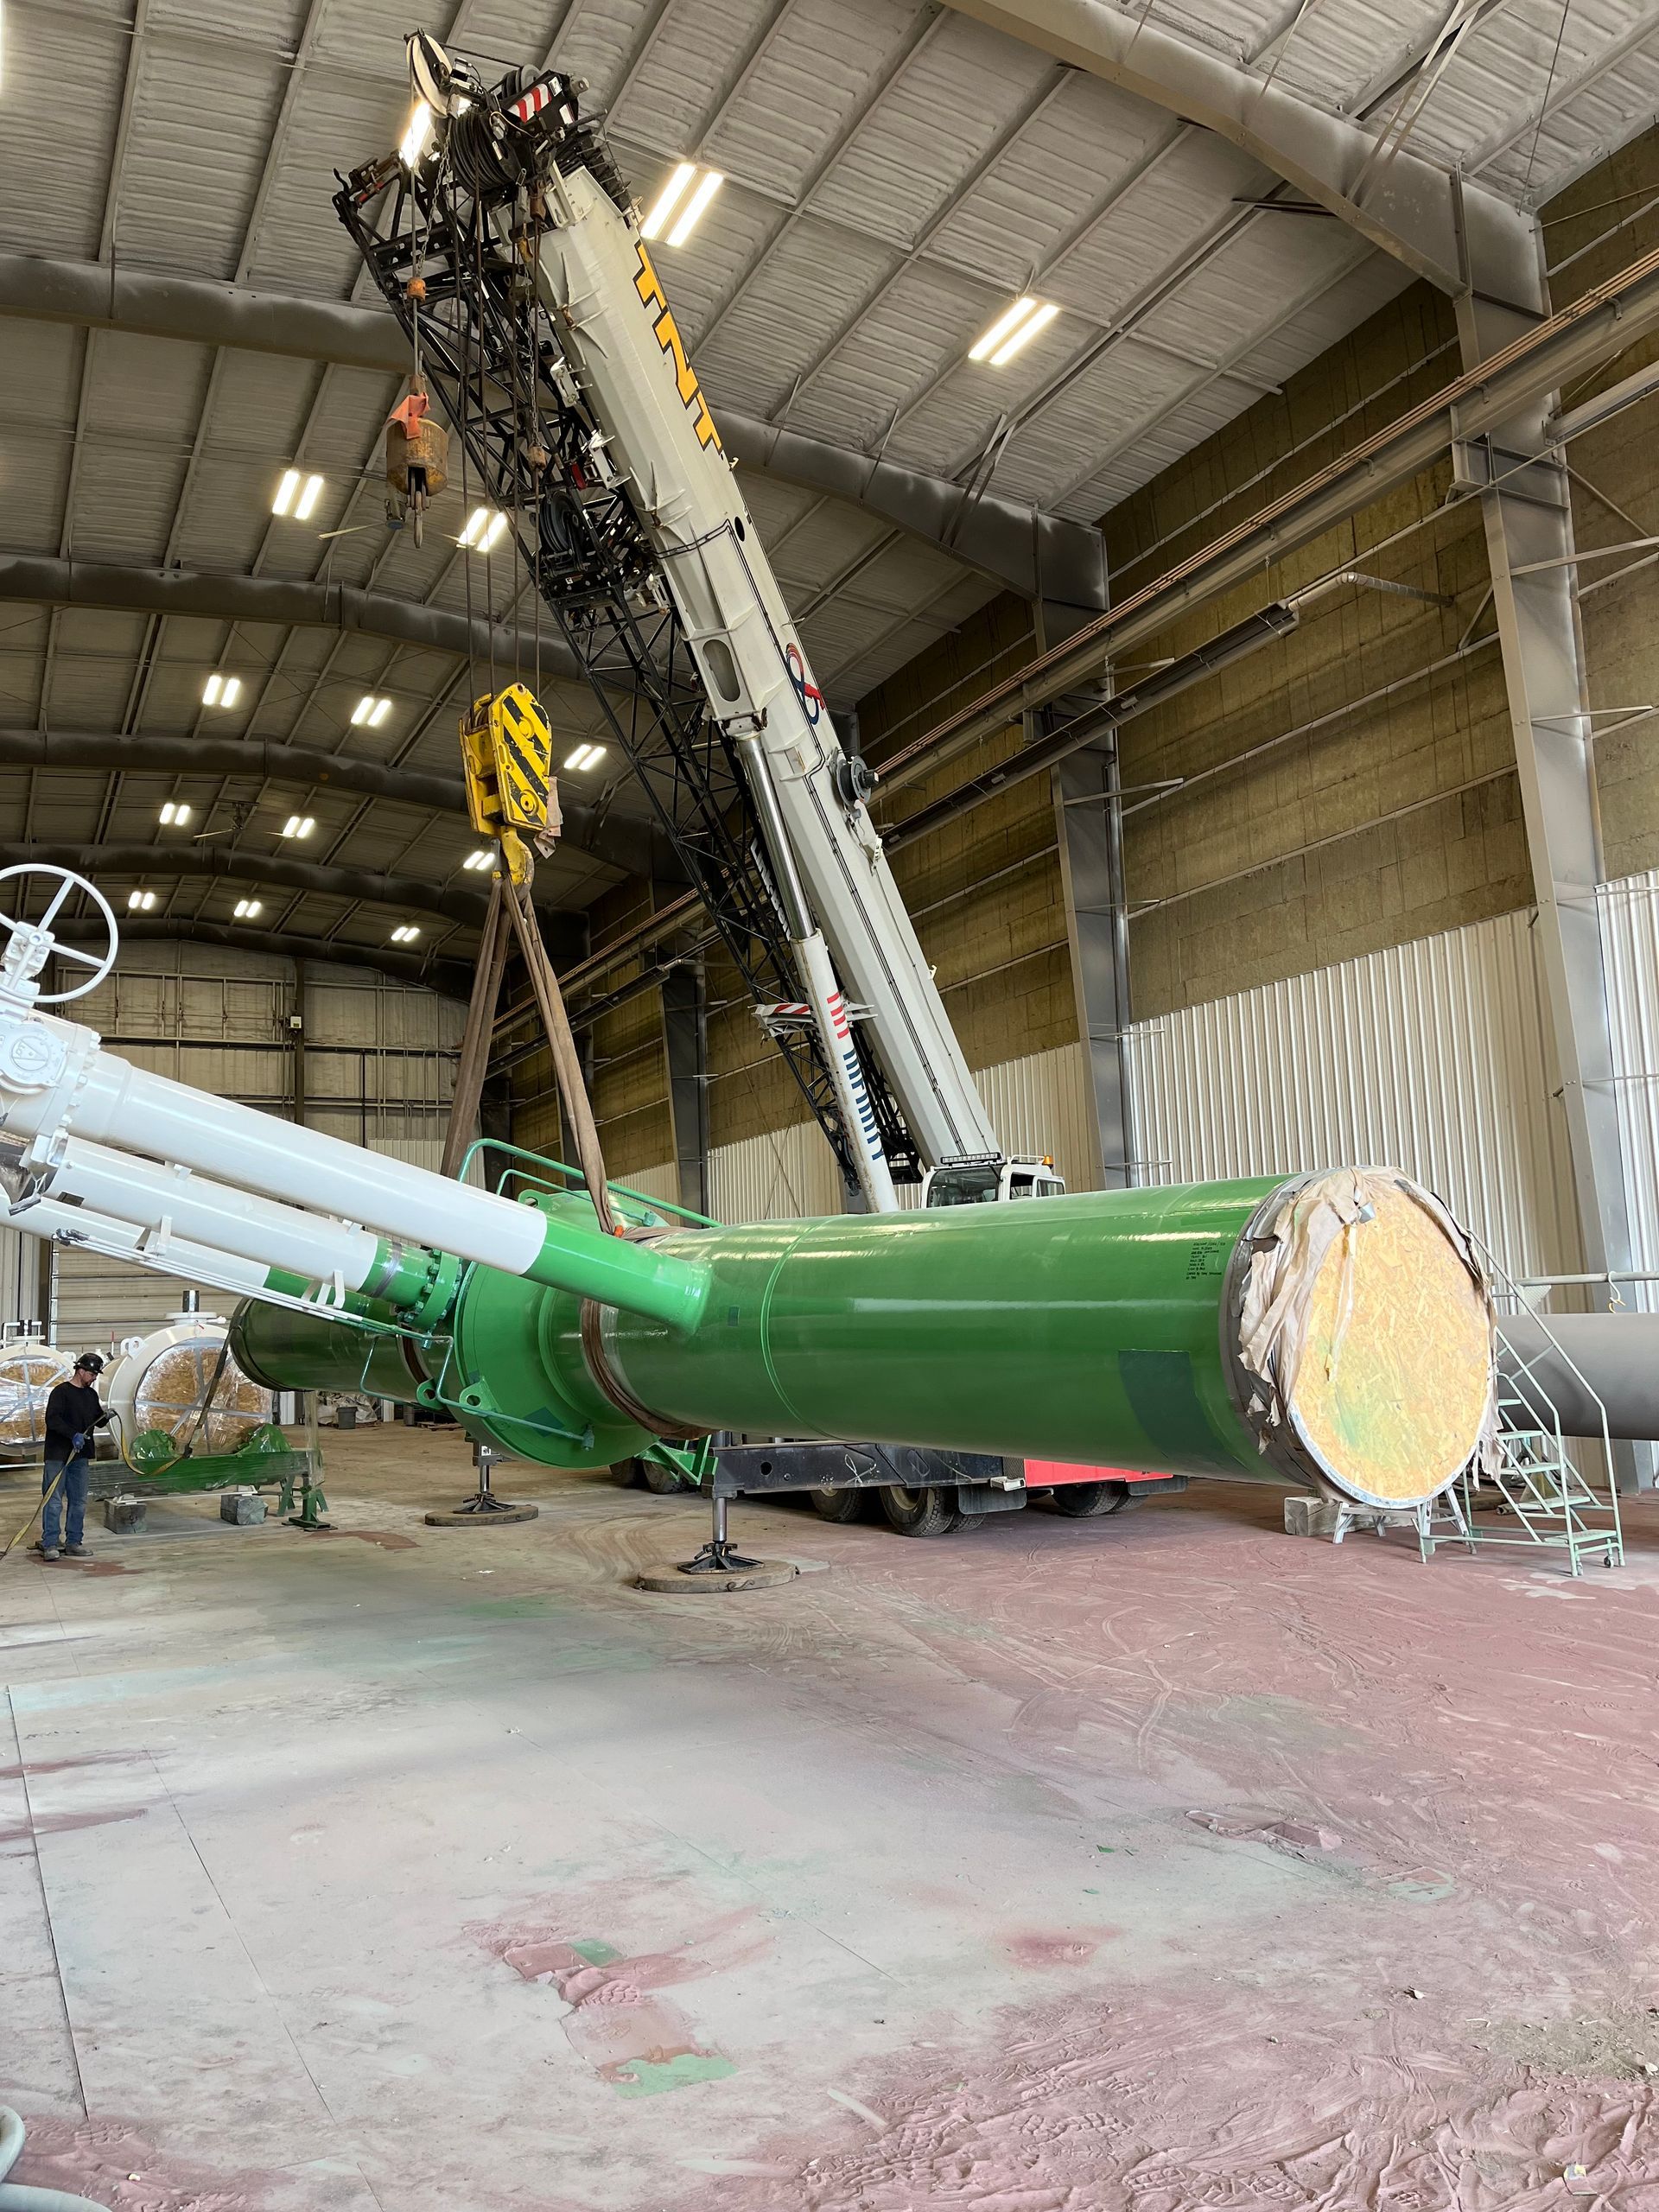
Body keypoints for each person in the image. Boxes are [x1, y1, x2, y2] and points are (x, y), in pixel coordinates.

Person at [36, 1354, 111, 1562]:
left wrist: (106, 1417)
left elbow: (97, 1420)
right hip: (58, 1455)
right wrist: (73, 1435)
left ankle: (73, 1542)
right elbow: (52, 1420)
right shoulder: (61, 1393)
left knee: (78, 1501)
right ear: (80, 1370)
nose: (94, 1377)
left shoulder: (90, 1395)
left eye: (96, 1374)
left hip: (81, 1455)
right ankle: (50, 1543)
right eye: (92, 1373)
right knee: (53, 1501)